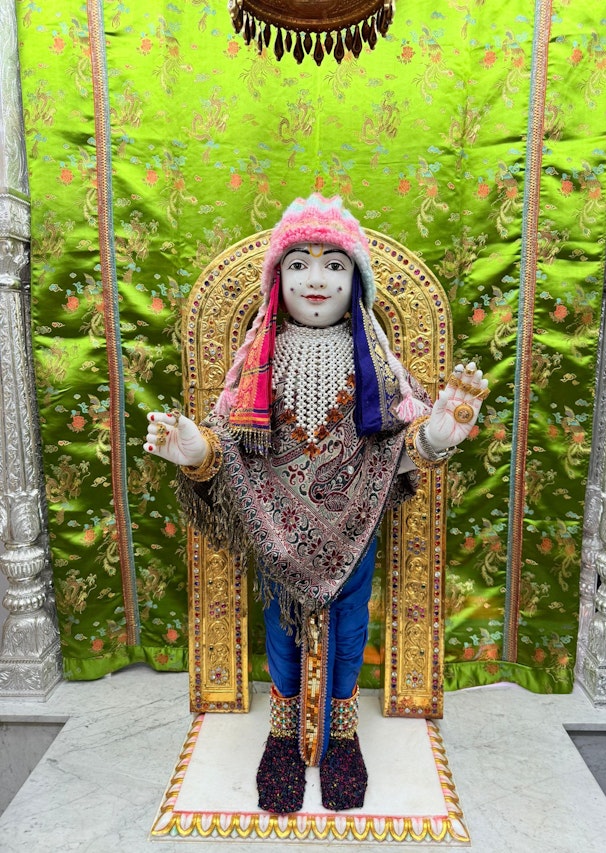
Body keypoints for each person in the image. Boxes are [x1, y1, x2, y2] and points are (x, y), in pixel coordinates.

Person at [144, 194, 488, 814]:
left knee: (352, 626)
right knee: (280, 626)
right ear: (278, 279)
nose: (317, 279)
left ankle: (344, 735)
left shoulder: (374, 361)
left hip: (355, 524)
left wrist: (437, 436)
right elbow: (230, 448)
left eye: (335, 265)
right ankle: (282, 734)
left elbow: (395, 448)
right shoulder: (259, 359)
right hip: (274, 527)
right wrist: (196, 450)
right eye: (299, 264)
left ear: (356, 282)